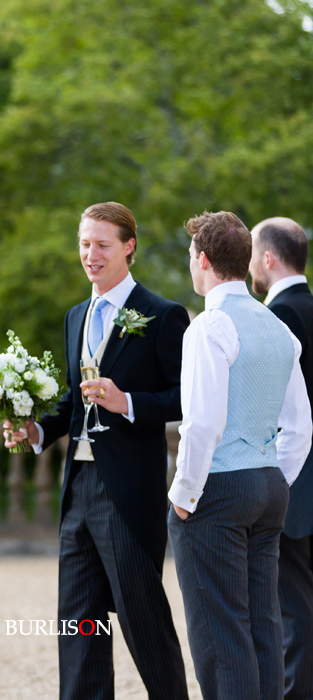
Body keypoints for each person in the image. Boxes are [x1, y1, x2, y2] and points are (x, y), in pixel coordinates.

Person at [5, 202, 190, 700]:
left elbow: (185, 397)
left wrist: (126, 401)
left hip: (127, 492)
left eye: (103, 245)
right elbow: (73, 399)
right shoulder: (76, 316)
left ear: (129, 247)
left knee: (142, 619)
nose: (91, 254)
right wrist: (36, 432)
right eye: (85, 244)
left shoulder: (163, 315)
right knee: (79, 622)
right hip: (78, 489)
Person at [170, 211, 312, 700]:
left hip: (219, 493)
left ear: (203, 260)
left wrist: (184, 496)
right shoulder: (278, 327)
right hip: (269, 488)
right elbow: (300, 426)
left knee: (222, 634)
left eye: (191, 255)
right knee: (264, 627)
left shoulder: (208, 327)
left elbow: (201, 424)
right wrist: (276, 478)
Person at [249, 216, 313, 700]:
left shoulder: (278, 318)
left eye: (252, 253)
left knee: (293, 608)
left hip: (296, 481)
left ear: (268, 258)